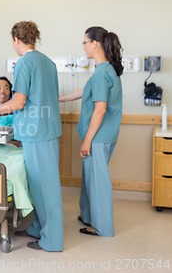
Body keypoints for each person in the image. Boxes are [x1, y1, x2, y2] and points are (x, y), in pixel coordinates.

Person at [0, 21, 63, 252]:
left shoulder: (24, 63)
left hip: (37, 132)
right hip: (46, 129)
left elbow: (19, 101)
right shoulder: (48, 63)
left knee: (45, 188)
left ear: (16, 39)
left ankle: (52, 240)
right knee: (37, 185)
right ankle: (36, 228)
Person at [59, 26, 123, 237]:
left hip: (98, 136)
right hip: (103, 135)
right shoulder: (104, 70)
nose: (84, 47)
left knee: (98, 182)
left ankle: (103, 226)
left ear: (95, 44)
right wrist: (59, 98)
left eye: (85, 42)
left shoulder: (103, 71)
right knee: (90, 179)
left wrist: (87, 140)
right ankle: (88, 216)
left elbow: (100, 109)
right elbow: (85, 91)